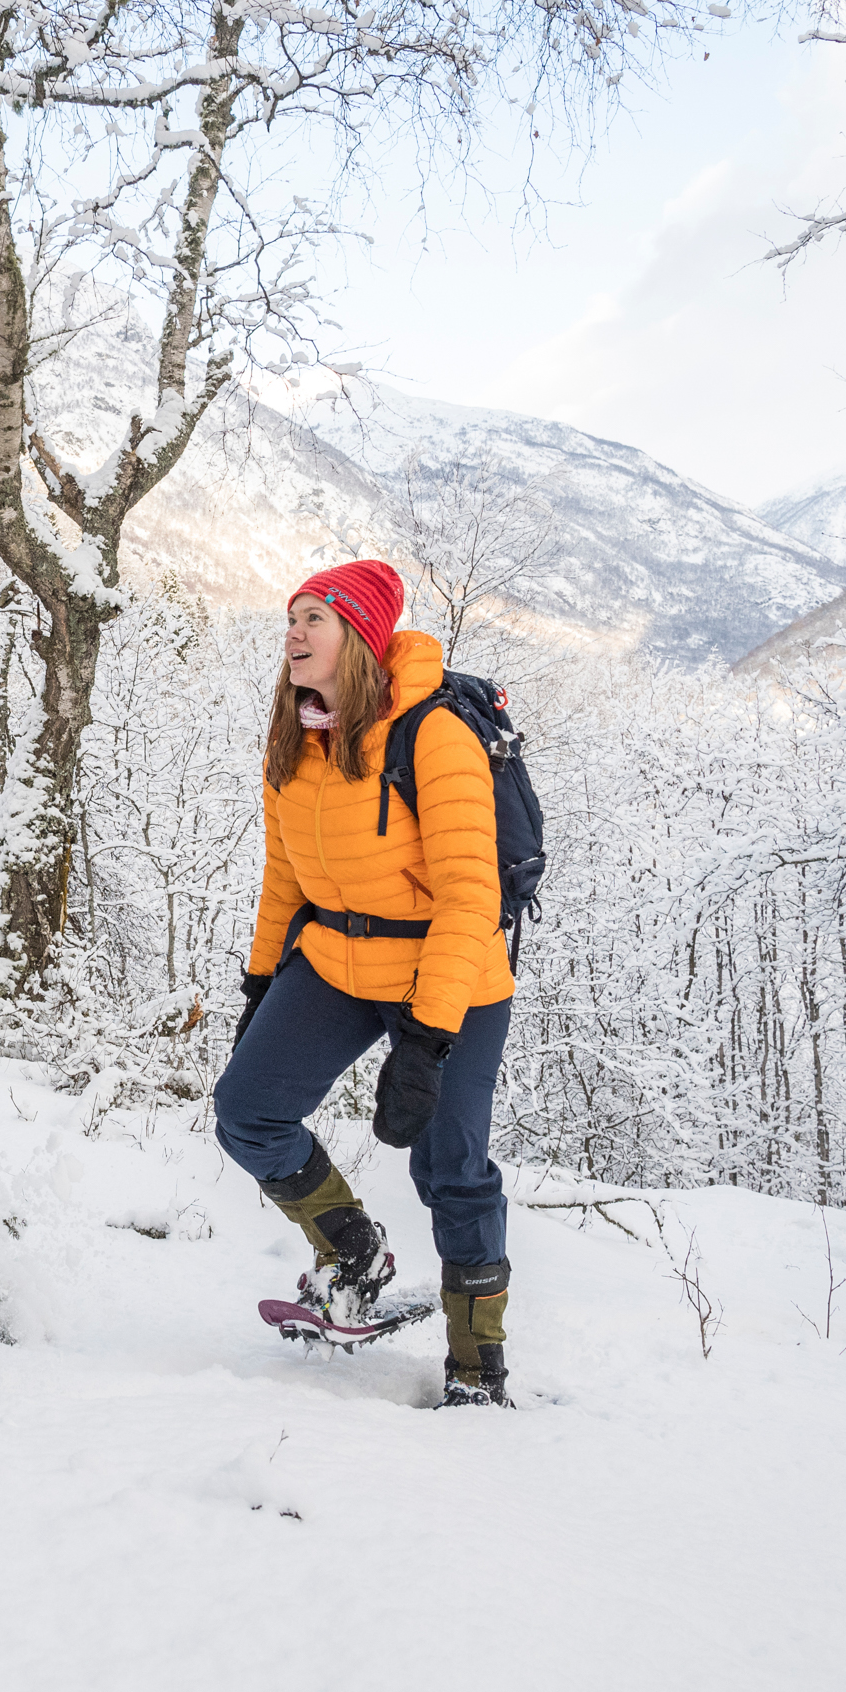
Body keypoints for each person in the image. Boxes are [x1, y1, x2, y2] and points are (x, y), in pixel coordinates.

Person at [213, 557, 519, 1407]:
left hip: (448, 968)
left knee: (451, 1168)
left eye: (316, 617)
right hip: (338, 959)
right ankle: (353, 1252)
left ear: (359, 638)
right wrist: (260, 985)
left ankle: (477, 1368)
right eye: (292, 617)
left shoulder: (433, 735)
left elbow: (470, 897)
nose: (295, 632)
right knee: (247, 1108)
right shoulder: (295, 738)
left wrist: (427, 1040)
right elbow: (285, 878)